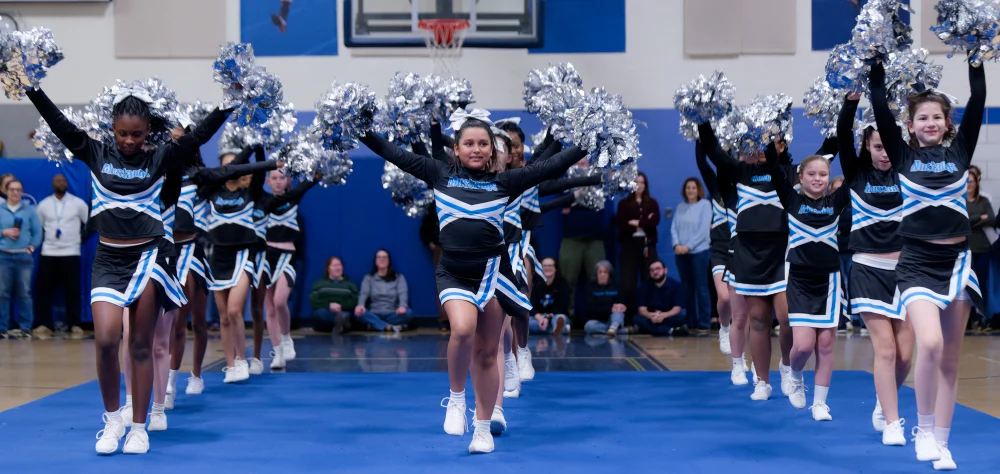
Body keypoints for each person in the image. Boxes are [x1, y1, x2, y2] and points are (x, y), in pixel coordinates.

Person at [360, 108, 586, 454]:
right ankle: (455, 398)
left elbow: (549, 167)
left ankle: (482, 429)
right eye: (469, 143)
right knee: (463, 330)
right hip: (453, 273)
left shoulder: (504, 182)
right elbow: (395, 154)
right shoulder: (439, 173)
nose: (476, 149)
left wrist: (588, 142)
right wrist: (361, 130)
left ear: (493, 151)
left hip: (492, 273)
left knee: (485, 352)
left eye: (483, 143)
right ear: (457, 148)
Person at [26, 84, 231, 454]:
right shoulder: (95, 151)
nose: (130, 141)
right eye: (123, 133)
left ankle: (139, 427)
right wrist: (32, 88)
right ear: (113, 128)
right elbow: (60, 123)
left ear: (147, 129)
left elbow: (199, 135)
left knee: (139, 344)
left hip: (147, 258)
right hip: (107, 260)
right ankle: (111, 421)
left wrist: (227, 104)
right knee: (105, 340)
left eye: (137, 133)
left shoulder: (160, 157)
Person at [869, 59, 986, 470]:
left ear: (947, 122)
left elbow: (980, 99)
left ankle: (943, 441)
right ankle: (921, 428)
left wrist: (975, 60)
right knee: (931, 344)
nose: (931, 122)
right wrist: (877, 70)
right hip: (917, 262)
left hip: (958, 261)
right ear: (912, 124)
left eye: (937, 116)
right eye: (923, 117)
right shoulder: (901, 155)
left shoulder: (959, 151)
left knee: (951, 355)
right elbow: (880, 108)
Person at [837, 93, 912, 446]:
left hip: (907, 272)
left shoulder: (906, 171)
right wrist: (851, 103)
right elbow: (841, 134)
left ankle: (885, 404)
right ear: (866, 145)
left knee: (906, 355)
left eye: (888, 147)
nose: (884, 153)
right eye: (877, 146)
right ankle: (894, 422)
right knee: (885, 350)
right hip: (867, 269)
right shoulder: (856, 174)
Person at [765, 150, 849, 421]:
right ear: (800, 178)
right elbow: (776, 171)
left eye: (823, 174)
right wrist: (772, 147)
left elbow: (855, 171)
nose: (817, 178)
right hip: (800, 281)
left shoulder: (836, 201)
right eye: (811, 174)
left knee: (825, 345)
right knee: (802, 346)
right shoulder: (791, 199)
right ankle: (796, 374)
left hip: (829, 281)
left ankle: (820, 403)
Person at [205, 146, 280, 383]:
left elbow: (258, 168)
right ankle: (232, 364)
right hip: (218, 258)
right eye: (229, 164)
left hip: (243, 255)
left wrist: (255, 149)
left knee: (236, 310)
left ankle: (242, 358)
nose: (234, 167)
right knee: (224, 316)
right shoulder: (212, 190)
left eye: (238, 164)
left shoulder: (252, 192)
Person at [260, 168, 319, 369]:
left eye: (281, 178)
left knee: (279, 301)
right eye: (274, 178)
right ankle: (277, 353)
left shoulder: (293, 198)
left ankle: (286, 338)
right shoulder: (264, 200)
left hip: (287, 256)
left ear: (288, 180)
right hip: (267, 257)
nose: (278, 182)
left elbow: (310, 181)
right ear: (267, 181)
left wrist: (318, 171)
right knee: (269, 307)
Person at [32, 174, 89, 338]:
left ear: (67, 184)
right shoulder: (44, 205)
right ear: (52, 184)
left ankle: (75, 324)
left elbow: (89, 224)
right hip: (48, 252)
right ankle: (45, 324)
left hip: (71, 252)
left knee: (72, 290)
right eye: (58, 181)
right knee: (44, 291)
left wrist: (79, 239)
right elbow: (38, 228)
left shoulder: (78, 203)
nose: (61, 183)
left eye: (63, 181)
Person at [695, 140, 736, 354]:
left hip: (741, 251)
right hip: (720, 250)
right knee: (725, 297)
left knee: (744, 304)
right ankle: (724, 327)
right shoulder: (715, 187)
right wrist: (700, 133)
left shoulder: (744, 186)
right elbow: (702, 163)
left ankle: (742, 351)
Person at [560, 159, 610, 317]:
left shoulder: (599, 179)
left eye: (585, 162)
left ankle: (598, 317)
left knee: (599, 278)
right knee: (567, 279)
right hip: (571, 237)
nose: (582, 165)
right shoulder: (567, 180)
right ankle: (566, 318)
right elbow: (564, 206)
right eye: (579, 163)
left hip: (595, 238)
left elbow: (602, 201)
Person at [0, 179, 42, 339]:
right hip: (3, 255)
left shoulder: (29, 210)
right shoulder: (0, 209)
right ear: (6, 191)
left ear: (22, 192)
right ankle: (2, 327)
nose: (15, 193)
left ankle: (25, 327)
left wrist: (31, 247)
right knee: (2, 293)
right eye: (12, 190)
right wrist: (4, 232)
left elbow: (37, 231)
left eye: (18, 190)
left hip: (23, 257)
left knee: (24, 292)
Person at [616, 172, 661, 314]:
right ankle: (630, 316)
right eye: (636, 182)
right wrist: (644, 222)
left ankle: (650, 312)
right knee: (628, 281)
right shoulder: (624, 203)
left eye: (642, 182)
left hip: (648, 245)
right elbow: (621, 224)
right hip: (629, 245)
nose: (639, 185)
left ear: (645, 185)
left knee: (649, 278)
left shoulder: (652, 203)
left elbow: (654, 222)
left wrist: (637, 222)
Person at [670, 177, 712, 334]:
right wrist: (676, 245)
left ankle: (704, 323)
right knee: (687, 288)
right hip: (681, 253)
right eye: (688, 187)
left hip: (699, 252)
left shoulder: (705, 205)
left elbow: (703, 231)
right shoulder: (681, 207)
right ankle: (691, 321)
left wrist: (687, 247)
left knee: (701, 287)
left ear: (698, 190)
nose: (691, 190)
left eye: (693, 187)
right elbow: (674, 227)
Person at [353, 249, 412, 333]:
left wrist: (402, 306)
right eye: (379, 257)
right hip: (374, 313)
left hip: (393, 313)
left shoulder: (399, 277)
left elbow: (403, 293)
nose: (382, 260)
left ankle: (376, 325)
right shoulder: (369, 278)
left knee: (409, 313)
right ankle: (389, 327)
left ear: (389, 261)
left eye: (384, 257)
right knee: (358, 313)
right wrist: (360, 305)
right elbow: (363, 293)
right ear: (375, 261)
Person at [967, 166, 994, 327]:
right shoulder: (959, 200)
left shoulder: (983, 200)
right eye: (966, 182)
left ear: (977, 182)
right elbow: (962, 221)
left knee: (981, 285)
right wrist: (979, 217)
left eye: (971, 182)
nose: (969, 185)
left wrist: (971, 219)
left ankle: (981, 317)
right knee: (966, 287)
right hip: (965, 250)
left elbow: (991, 218)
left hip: (983, 249)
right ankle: (968, 317)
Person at [633, 260, 686, 336]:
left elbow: (677, 309)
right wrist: (651, 316)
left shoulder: (676, 285)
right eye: (652, 270)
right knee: (637, 318)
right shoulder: (643, 286)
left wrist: (663, 315)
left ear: (665, 270)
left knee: (682, 318)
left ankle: (650, 329)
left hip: (668, 316)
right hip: (651, 317)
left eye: (658, 269)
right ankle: (670, 330)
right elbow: (642, 310)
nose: (655, 272)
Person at [419, 202, 449, 333]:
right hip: (441, 248)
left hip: (463, 247)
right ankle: (444, 320)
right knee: (442, 284)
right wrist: (432, 246)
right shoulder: (435, 204)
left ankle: (468, 319)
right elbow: (425, 228)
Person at [309, 256, 358, 333]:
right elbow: (313, 300)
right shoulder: (319, 284)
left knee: (348, 315)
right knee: (320, 313)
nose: (337, 268)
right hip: (325, 311)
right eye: (334, 265)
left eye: (339, 265)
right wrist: (329, 305)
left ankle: (339, 323)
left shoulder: (350, 285)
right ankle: (339, 323)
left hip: (343, 311)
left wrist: (341, 306)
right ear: (328, 268)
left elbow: (355, 300)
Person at [582, 260, 629, 336]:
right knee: (588, 326)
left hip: (613, 319)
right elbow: (591, 308)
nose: (602, 275)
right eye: (600, 272)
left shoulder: (616, 286)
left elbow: (620, 302)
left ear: (609, 274)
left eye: (605, 272)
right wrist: (610, 309)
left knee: (618, 313)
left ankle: (613, 328)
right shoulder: (591, 287)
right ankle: (617, 330)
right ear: (596, 274)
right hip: (598, 321)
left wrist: (621, 306)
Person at [529, 257, 572, 335]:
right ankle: (559, 330)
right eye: (544, 266)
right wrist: (540, 319)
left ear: (555, 268)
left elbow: (561, 307)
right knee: (527, 322)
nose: (547, 268)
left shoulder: (562, 284)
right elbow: (532, 307)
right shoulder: (536, 285)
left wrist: (548, 318)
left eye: (550, 266)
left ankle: (553, 328)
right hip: (540, 318)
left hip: (555, 316)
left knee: (560, 318)